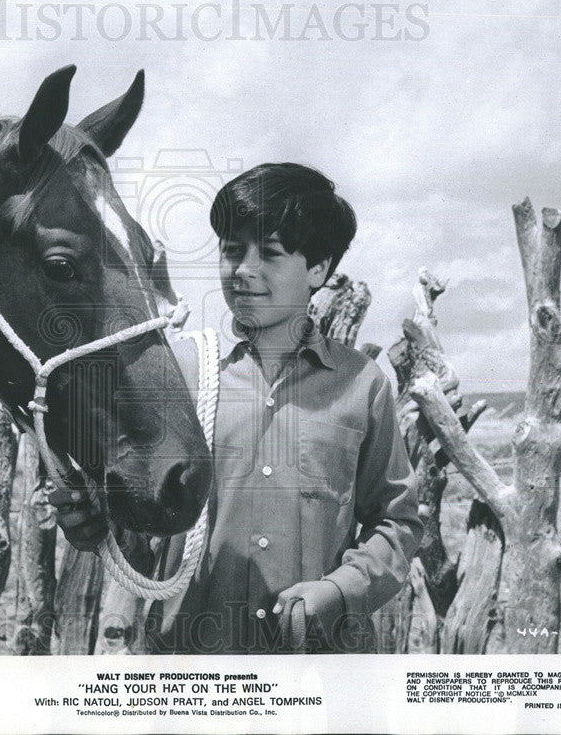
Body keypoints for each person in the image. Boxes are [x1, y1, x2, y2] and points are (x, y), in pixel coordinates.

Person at [52, 162, 421, 654]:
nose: (243, 270)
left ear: (318, 269)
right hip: (192, 673)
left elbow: (396, 523)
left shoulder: (363, 385)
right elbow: (142, 530)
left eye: (268, 253)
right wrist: (98, 525)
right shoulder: (180, 372)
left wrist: (338, 591)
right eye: (231, 251)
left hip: (318, 671)